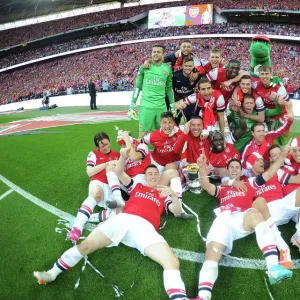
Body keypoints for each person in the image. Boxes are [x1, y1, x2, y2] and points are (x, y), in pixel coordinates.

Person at [33, 154, 190, 300]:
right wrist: (123, 155)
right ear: (146, 177)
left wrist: (175, 196)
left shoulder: (164, 194)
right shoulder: (137, 187)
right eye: (150, 174)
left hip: (145, 228)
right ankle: (52, 274)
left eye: (156, 174)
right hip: (122, 220)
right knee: (86, 245)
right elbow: (119, 171)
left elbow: (177, 211)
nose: (154, 176)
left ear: (160, 177)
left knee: (172, 262)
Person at [193, 145, 293, 300]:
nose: (234, 169)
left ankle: (273, 267)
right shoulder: (222, 188)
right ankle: (203, 295)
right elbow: (206, 186)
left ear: (241, 171)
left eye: (237, 167)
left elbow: (270, 173)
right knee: (211, 256)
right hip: (223, 219)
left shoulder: (250, 183)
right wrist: (201, 167)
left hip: (241, 216)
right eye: (231, 167)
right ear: (228, 171)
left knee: (254, 213)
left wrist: (283, 155)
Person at [66, 132, 122, 243]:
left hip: (112, 186)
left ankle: (89, 216)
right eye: (103, 146)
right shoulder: (93, 154)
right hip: (98, 182)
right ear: (97, 147)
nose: (106, 147)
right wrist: (107, 163)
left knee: (118, 212)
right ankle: (77, 228)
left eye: (107, 144)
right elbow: (90, 172)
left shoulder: (117, 154)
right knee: (97, 194)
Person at [128, 45, 183, 138]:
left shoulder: (167, 69)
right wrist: (133, 103)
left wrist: (172, 105)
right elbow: (137, 86)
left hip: (161, 107)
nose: (156, 54)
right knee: (143, 135)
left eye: (158, 52)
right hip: (146, 106)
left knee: (164, 134)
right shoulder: (144, 67)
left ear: (163, 54)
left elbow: (169, 89)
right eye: (154, 52)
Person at [252, 65, 290, 145]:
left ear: (271, 74)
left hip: (281, 117)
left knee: (282, 143)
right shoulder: (256, 85)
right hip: (269, 118)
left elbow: (290, 104)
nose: (264, 76)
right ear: (259, 75)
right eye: (262, 74)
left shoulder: (279, 87)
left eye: (267, 74)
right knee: (271, 143)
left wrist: (283, 102)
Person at [172, 56, 204, 124]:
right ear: (182, 65)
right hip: (177, 103)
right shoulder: (175, 76)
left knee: (192, 123)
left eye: (190, 66)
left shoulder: (197, 77)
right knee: (173, 122)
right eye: (186, 65)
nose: (188, 68)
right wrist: (175, 103)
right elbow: (170, 89)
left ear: (193, 66)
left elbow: (203, 73)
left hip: (190, 104)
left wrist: (197, 74)